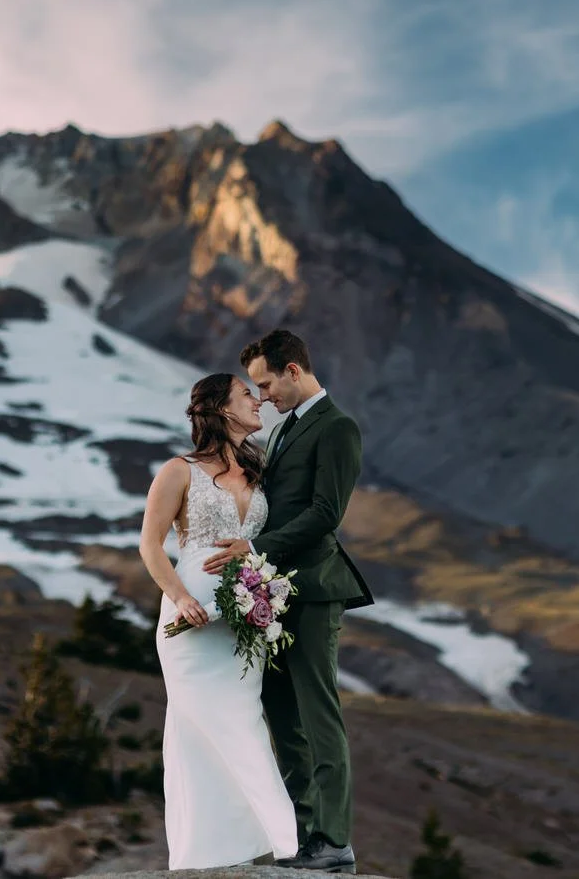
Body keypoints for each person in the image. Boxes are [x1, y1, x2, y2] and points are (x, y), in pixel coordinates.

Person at [204, 328, 373, 874]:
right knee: (281, 716)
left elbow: (326, 513)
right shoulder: (283, 429)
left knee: (319, 715)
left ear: (293, 371)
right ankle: (306, 837)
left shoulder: (338, 427)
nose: (263, 396)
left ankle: (335, 840)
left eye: (266, 384)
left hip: (316, 589)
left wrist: (254, 549)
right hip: (272, 595)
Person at [139, 372, 298, 870]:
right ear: (223, 408)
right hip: (191, 623)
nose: (258, 400)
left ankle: (225, 851)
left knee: (236, 721)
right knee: (213, 726)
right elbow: (150, 545)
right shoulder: (179, 471)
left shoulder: (258, 469)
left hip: (245, 621)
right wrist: (181, 598)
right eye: (247, 394)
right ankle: (285, 842)